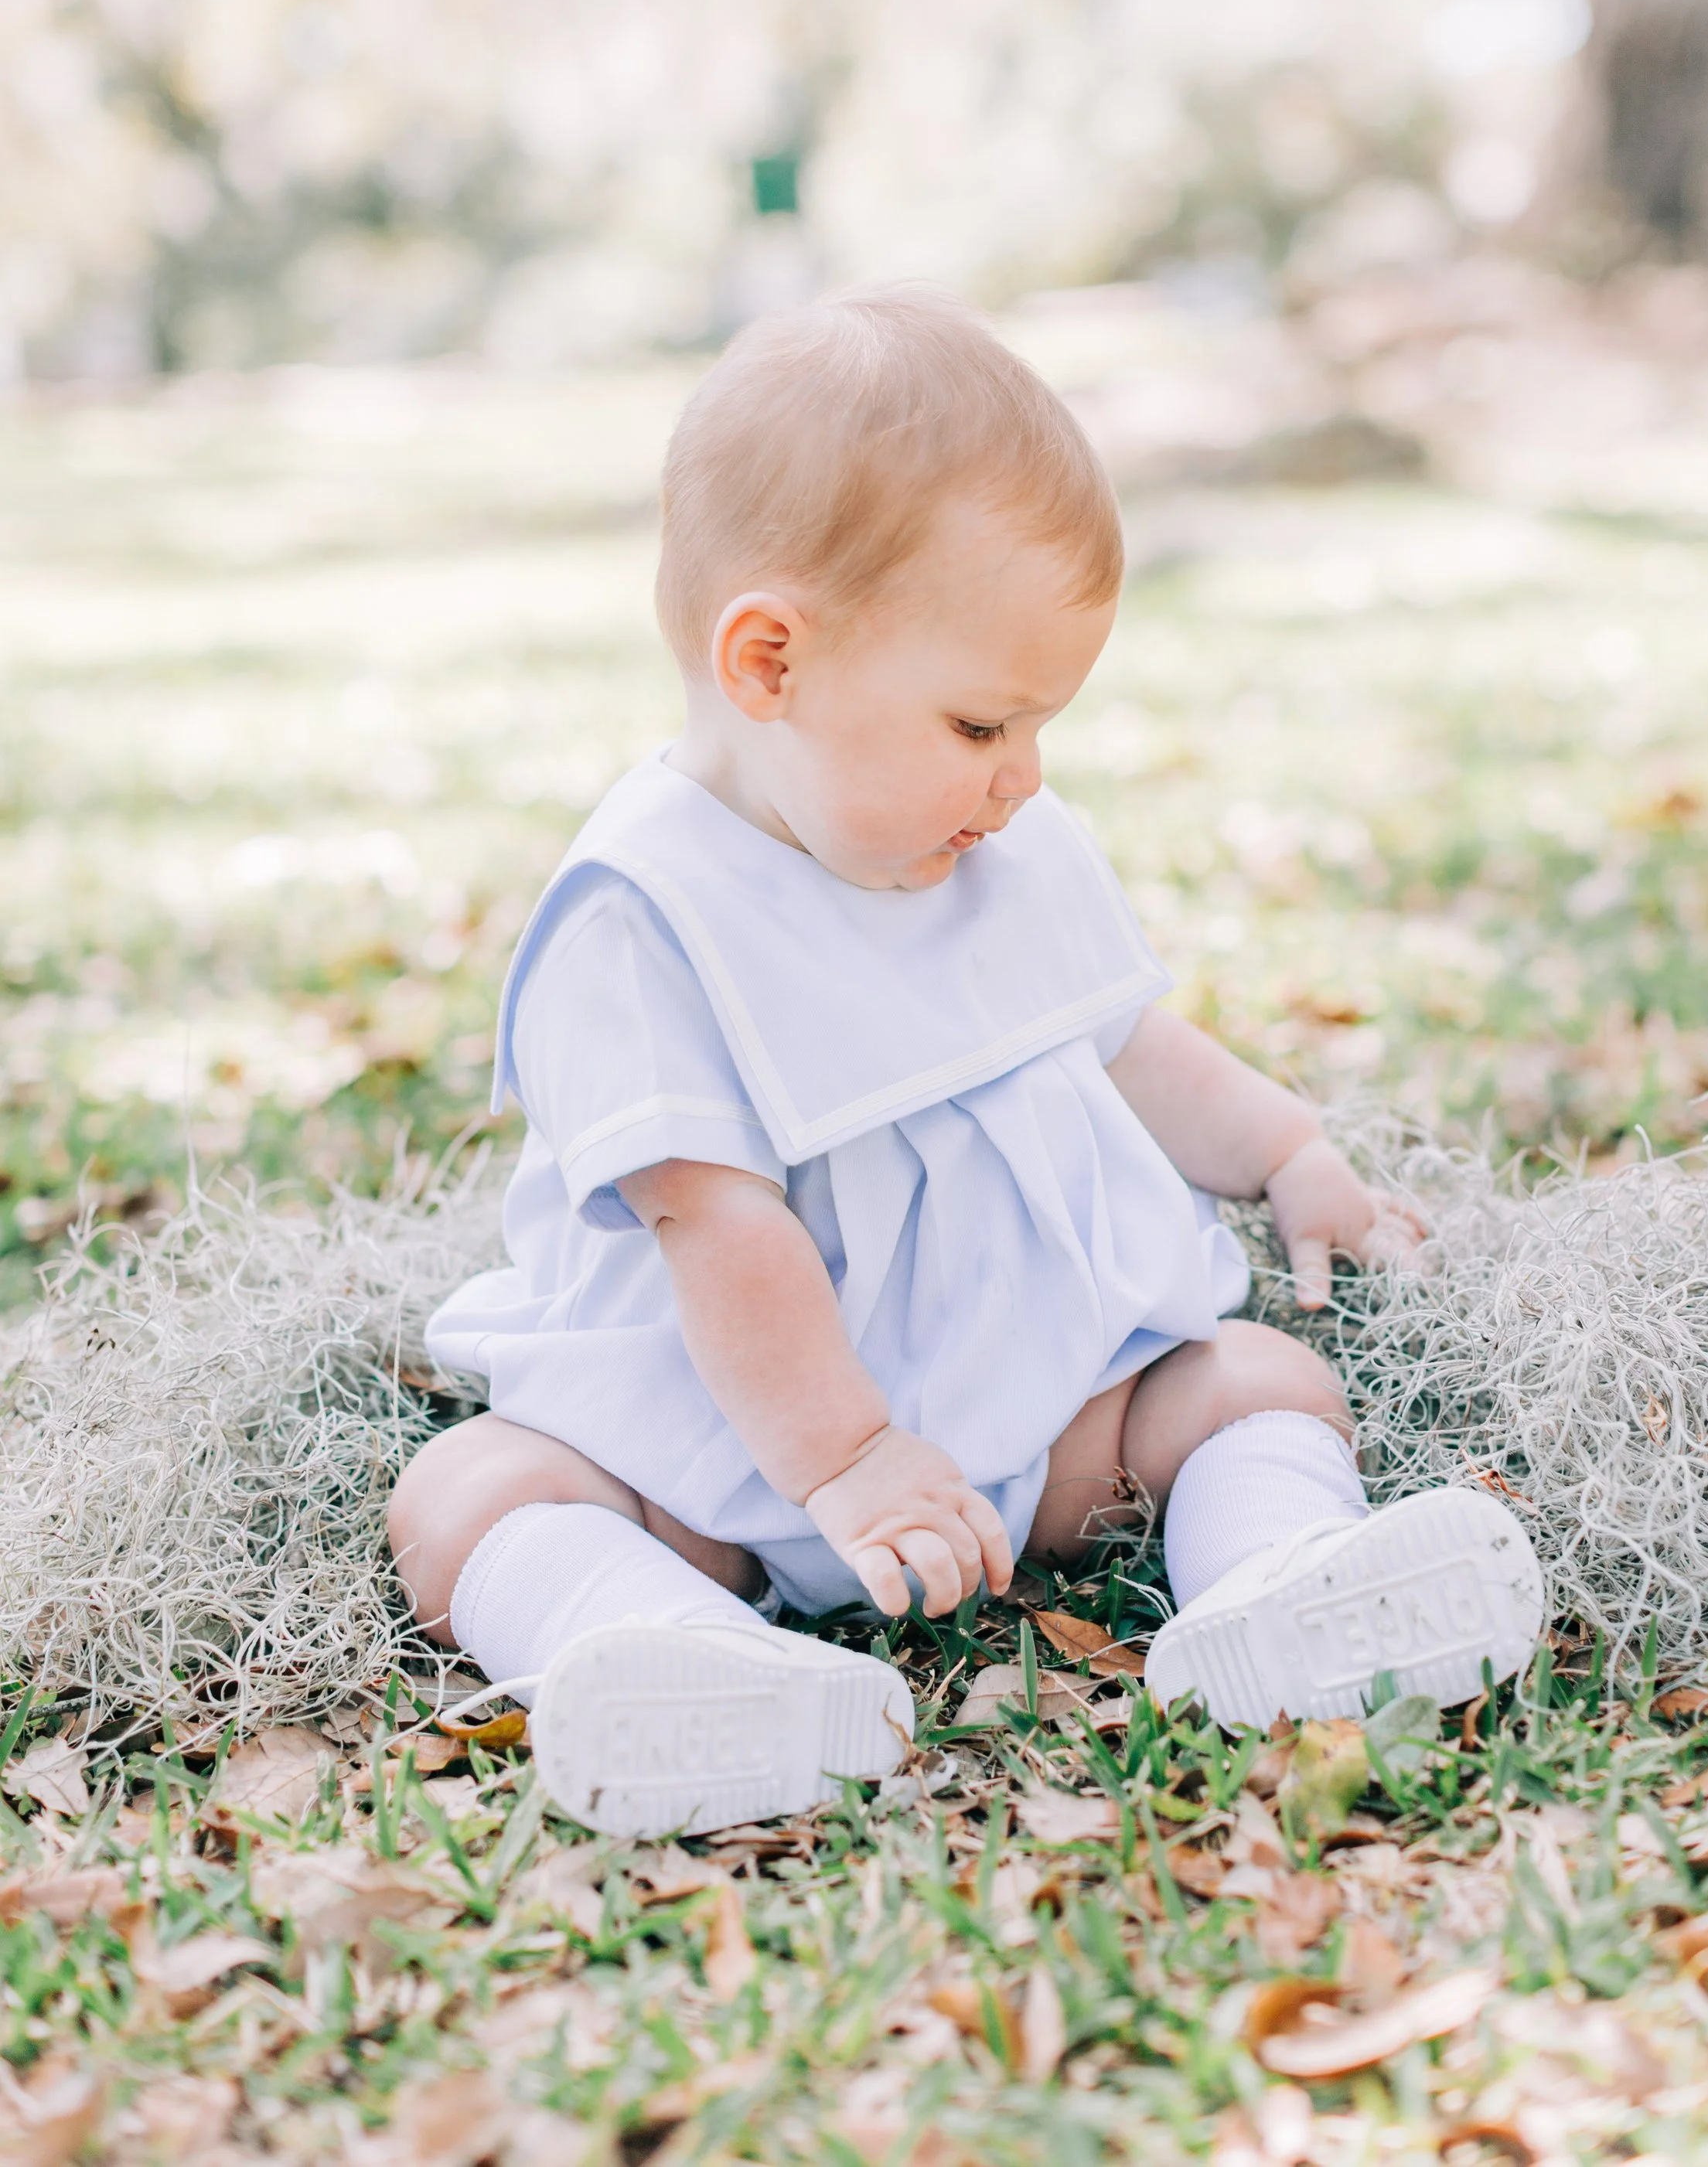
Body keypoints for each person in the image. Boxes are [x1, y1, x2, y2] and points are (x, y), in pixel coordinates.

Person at [390, 291, 1543, 1838]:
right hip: (722, 1465)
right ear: (768, 662)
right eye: (984, 720)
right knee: (467, 1498)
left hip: (1027, 1418)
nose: (1024, 776)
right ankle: (659, 1647)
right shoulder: (643, 913)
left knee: (1252, 1382)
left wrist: (1280, 1150)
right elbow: (716, 1227)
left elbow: (1119, 1035)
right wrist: (847, 1460)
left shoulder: (994, 839)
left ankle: (1273, 1590)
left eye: (1039, 726)